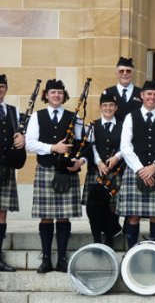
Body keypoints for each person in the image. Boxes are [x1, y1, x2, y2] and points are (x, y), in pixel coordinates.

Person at [26, 79, 86, 273]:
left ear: (64, 95)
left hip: (65, 171)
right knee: (45, 217)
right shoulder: (37, 116)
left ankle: (61, 259)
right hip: (45, 169)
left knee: (63, 218)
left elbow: (82, 143)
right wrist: (53, 147)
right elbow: (29, 143)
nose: (56, 95)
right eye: (53, 92)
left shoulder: (74, 116)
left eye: (60, 92)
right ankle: (45, 259)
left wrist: (79, 161)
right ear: (46, 95)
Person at [119, 80, 155, 248]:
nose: (152, 97)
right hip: (135, 170)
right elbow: (125, 146)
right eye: (149, 94)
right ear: (142, 95)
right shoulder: (131, 117)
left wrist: (154, 166)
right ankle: (131, 252)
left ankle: (154, 251)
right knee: (133, 215)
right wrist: (140, 169)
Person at [81, 91, 124, 247]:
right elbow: (90, 147)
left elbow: (125, 146)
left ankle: (110, 237)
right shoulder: (92, 126)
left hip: (115, 170)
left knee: (112, 205)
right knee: (95, 206)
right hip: (96, 170)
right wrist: (99, 162)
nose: (108, 108)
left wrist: (116, 158)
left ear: (116, 107)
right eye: (105, 105)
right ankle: (96, 238)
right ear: (100, 107)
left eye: (111, 105)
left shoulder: (123, 125)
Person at [0, 74, 25, 272]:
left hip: (6, 167)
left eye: (2, 86)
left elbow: (19, 134)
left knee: (1, 214)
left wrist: (21, 140)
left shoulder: (12, 111)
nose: (0, 89)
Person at [104, 57, 142, 121]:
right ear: (116, 73)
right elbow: (104, 117)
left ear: (132, 73)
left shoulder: (141, 93)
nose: (125, 73)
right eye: (121, 71)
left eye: (128, 71)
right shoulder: (108, 92)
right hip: (114, 130)